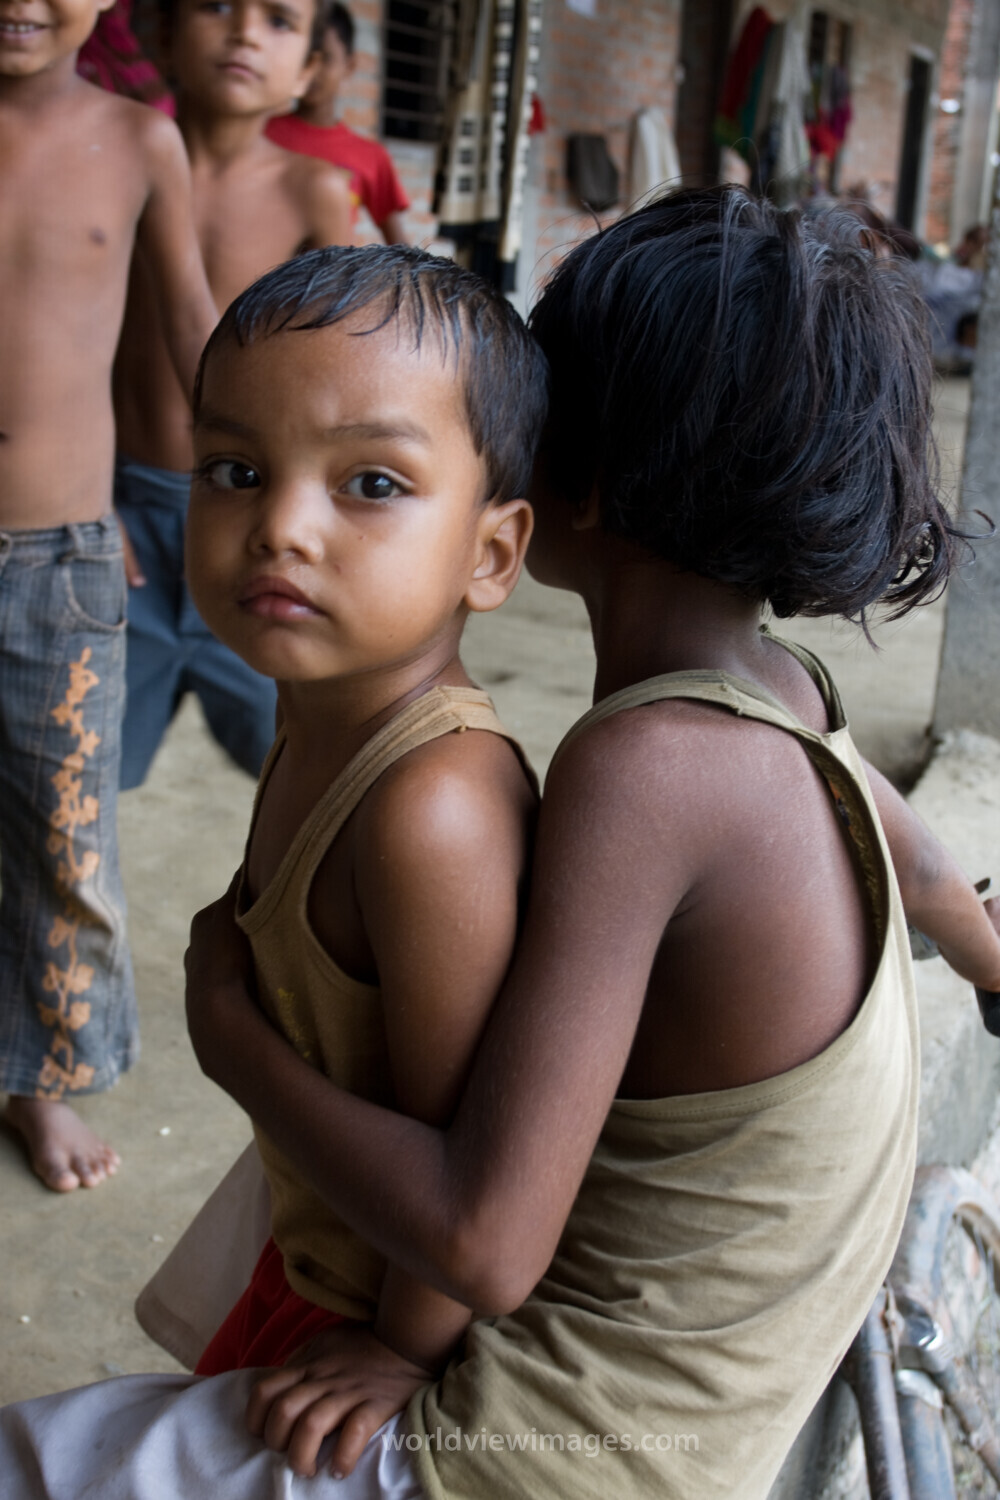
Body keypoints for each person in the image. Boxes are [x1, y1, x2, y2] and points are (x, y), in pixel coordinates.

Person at [6, 187, 1000, 1500]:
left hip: (568, 1443)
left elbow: (483, 1245)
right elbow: (933, 872)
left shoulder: (642, 773)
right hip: (717, 1391)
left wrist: (227, 1031)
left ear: (549, 489)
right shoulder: (780, 687)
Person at [0, 0, 216, 1193]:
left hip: (59, 559)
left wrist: (252, 479)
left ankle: (43, 1080)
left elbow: (187, 327)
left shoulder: (141, 142)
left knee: (61, 834)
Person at [113, 0, 353, 790]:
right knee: (79, 773)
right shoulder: (107, 160)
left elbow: (351, 363)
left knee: (306, 768)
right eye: (217, 7)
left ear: (312, 69)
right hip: (118, 519)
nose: (246, 32)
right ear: (162, 36)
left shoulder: (313, 191)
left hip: (255, 516)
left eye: (280, 20)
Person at [266, 2, 409, 245]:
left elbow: (401, 250)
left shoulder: (371, 157)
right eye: (305, 57)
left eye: (326, 58)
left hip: (330, 281)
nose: (313, 70)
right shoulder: (261, 134)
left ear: (349, 65)